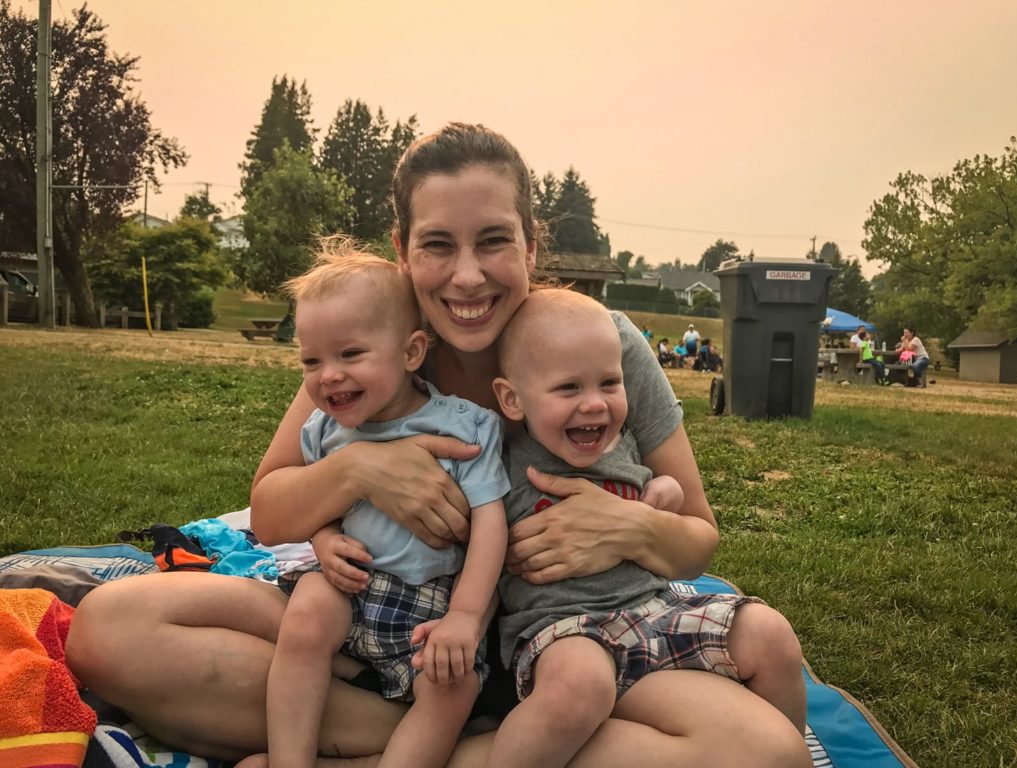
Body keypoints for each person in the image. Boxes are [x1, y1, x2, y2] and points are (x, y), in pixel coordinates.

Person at [66, 123, 811, 768]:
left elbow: (698, 540)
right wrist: (358, 471)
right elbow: (270, 510)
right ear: (401, 251)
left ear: (530, 242)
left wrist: (633, 525)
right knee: (110, 629)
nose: (467, 275)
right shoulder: (377, 350)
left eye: (493, 241)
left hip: (560, 646)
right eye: (437, 246)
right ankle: (423, 744)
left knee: (768, 752)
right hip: (383, 628)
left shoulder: (598, 345)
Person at [486, 289, 806, 768]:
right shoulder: (504, 464)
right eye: (569, 389)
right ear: (512, 399)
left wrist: (661, 501)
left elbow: (668, 497)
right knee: (579, 687)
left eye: (609, 383)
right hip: (565, 629)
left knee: (770, 633)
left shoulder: (624, 442)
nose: (594, 404)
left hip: (655, 609)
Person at [238, 248, 509, 768]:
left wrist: (465, 617)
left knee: (452, 685)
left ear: (411, 353)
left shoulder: (464, 427)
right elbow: (316, 509)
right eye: (311, 361)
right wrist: (323, 541)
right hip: (352, 588)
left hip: (431, 604)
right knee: (307, 613)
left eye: (349, 355)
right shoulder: (324, 430)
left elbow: (490, 524)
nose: (327, 376)